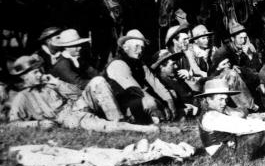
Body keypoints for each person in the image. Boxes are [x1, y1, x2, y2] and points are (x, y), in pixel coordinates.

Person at [6, 55, 157, 133]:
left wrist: (57, 83)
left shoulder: (50, 83)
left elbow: (78, 94)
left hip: (76, 105)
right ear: (24, 76)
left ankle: (118, 119)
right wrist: (38, 124)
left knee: (98, 80)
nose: (39, 74)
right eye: (35, 72)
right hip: (65, 119)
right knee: (97, 124)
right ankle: (134, 128)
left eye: (39, 70)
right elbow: (13, 124)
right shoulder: (22, 97)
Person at [105, 29, 177, 124]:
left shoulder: (139, 63)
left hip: (135, 99)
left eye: (142, 47)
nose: (140, 50)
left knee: (170, 95)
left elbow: (155, 83)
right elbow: (136, 90)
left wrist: (169, 101)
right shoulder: (118, 63)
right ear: (125, 47)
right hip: (119, 105)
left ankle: (156, 118)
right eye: (136, 46)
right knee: (151, 103)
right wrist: (162, 106)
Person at [212, 21, 264, 100]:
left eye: (245, 38)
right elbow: (214, 75)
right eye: (240, 38)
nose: (243, 41)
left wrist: (250, 55)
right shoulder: (222, 52)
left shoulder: (249, 48)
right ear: (232, 38)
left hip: (249, 86)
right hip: (230, 89)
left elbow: (258, 70)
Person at [151, 49, 199, 117]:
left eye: (176, 63)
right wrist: (183, 109)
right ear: (161, 66)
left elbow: (196, 92)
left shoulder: (178, 77)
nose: (176, 66)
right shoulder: (159, 85)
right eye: (173, 64)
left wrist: (189, 78)